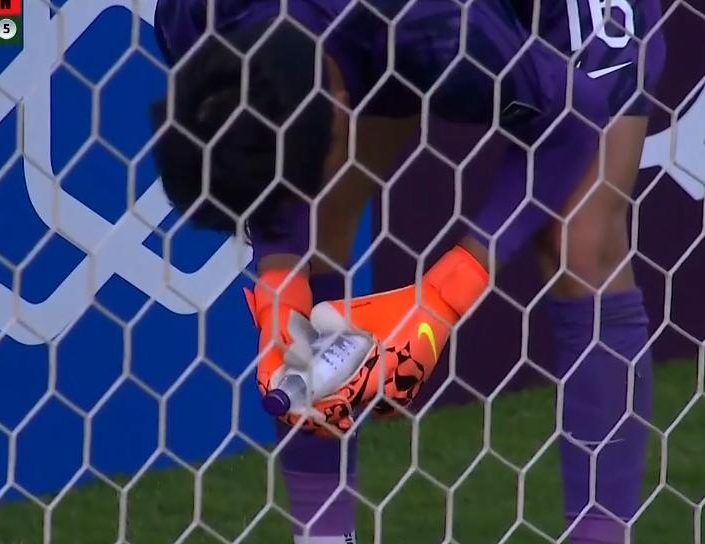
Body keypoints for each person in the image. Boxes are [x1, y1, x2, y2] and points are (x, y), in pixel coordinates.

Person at [149, 0, 665, 542]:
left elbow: (574, 116)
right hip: (361, 30)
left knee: (580, 241)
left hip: (534, 17)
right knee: (314, 233)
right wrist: (282, 293)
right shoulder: (190, 21)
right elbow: (262, 161)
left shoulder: (439, 29)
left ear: (341, 108)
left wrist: (444, 297)